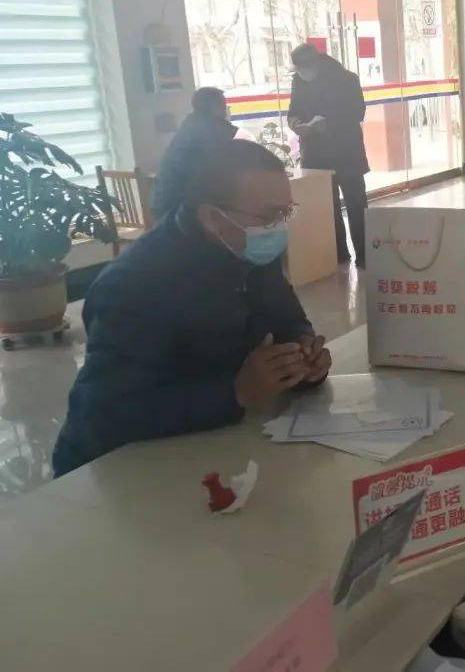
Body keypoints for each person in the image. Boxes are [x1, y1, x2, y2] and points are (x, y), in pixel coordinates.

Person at [52, 140, 331, 476]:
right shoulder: (134, 286)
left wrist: (304, 354)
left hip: (211, 448)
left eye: (286, 213)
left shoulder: (249, 250)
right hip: (116, 473)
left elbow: (288, 321)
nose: (279, 228)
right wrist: (236, 392)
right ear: (213, 217)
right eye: (270, 216)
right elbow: (105, 416)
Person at [287, 44, 370, 267]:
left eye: (303, 69)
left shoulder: (347, 79)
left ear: (316, 63)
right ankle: (338, 255)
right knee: (326, 208)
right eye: (298, 70)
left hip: (346, 154)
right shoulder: (298, 81)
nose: (301, 74)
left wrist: (328, 123)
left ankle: (365, 256)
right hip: (315, 155)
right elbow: (293, 112)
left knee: (356, 205)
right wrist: (297, 125)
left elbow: (358, 112)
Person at [151, 86, 237, 221]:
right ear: (212, 106)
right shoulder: (210, 129)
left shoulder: (191, 124)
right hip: (179, 207)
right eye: (222, 104)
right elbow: (224, 165)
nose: (225, 109)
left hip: (166, 203)